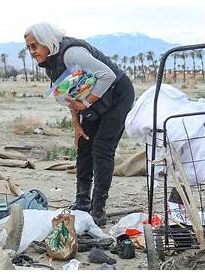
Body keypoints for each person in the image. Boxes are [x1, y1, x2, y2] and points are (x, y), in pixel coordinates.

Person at [24, 22, 135, 226]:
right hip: (94, 98)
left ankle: (97, 209)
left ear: (47, 41)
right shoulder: (51, 64)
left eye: (34, 46)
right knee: (84, 144)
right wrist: (77, 126)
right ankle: (82, 201)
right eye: (28, 47)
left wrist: (85, 102)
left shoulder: (71, 53)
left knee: (102, 148)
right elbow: (69, 94)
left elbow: (107, 76)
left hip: (118, 94)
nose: (32, 51)